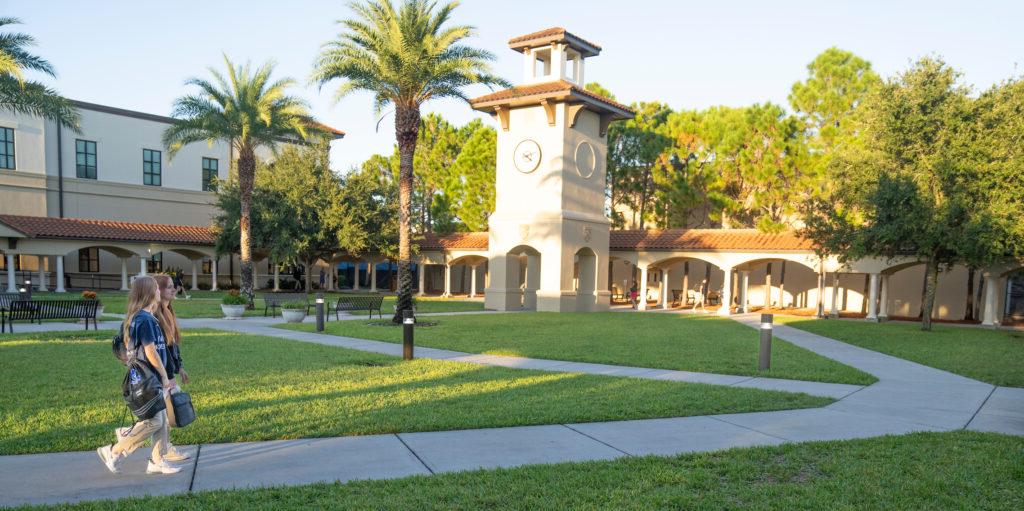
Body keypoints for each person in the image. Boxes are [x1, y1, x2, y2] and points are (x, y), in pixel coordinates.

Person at [96, 276, 181, 475]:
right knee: (155, 421)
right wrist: (163, 375)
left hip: (150, 377)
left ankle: (157, 461)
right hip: (148, 378)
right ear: (149, 293)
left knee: (160, 420)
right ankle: (114, 451)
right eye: (157, 290)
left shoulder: (145, 318)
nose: (159, 292)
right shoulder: (143, 319)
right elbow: (150, 351)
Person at [132, 274, 192, 462]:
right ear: (155, 290)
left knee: (163, 416)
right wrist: (166, 375)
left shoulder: (168, 311)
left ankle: (164, 451)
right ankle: (123, 442)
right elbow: (157, 349)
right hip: (158, 375)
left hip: (166, 372)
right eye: (168, 287)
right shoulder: (153, 315)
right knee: (161, 417)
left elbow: (172, 345)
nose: (174, 290)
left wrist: (179, 367)